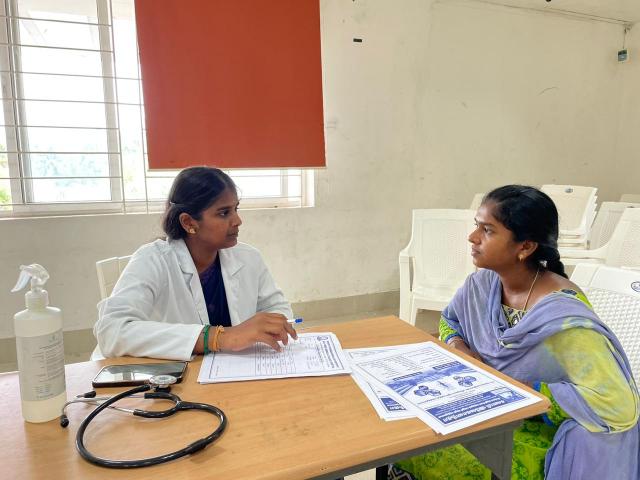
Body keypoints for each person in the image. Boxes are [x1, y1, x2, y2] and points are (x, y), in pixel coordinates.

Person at [391, 185, 640, 480]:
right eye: (477, 226)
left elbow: (618, 407)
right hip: (498, 406)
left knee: (428, 446)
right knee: (410, 433)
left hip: (553, 429)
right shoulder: (482, 285)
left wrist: (525, 389)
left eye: (487, 230)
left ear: (525, 247)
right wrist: (459, 347)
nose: (472, 237)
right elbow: (450, 321)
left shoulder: (564, 321)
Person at [93, 166, 296, 361]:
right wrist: (218, 338)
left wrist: (273, 325)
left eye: (236, 209)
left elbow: (277, 309)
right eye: (224, 213)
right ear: (189, 222)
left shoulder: (249, 257)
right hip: (178, 376)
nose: (238, 220)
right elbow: (111, 331)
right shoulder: (153, 260)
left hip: (238, 369)